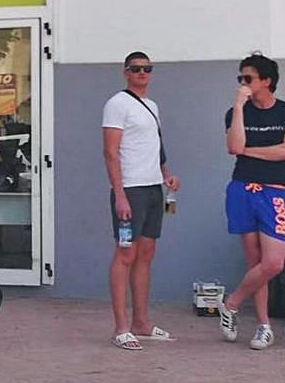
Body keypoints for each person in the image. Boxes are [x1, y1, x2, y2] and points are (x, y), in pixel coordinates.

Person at [219, 54, 285, 351]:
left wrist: (251, 151)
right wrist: (238, 107)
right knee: (254, 262)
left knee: (273, 263)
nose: (243, 84)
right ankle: (263, 325)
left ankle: (230, 303)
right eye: (240, 79)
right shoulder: (236, 112)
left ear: (266, 81)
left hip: (273, 192)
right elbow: (234, 147)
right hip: (242, 189)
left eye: (249, 79)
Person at [102, 52, 181, 351]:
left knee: (146, 252)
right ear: (126, 72)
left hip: (152, 189)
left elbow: (156, 147)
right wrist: (119, 194)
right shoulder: (117, 105)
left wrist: (166, 176)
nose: (142, 73)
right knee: (125, 253)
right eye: (136, 69)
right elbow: (110, 152)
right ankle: (121, 327)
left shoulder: (152, 106)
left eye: (147, 69)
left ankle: (141, 321)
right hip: (130, 190)